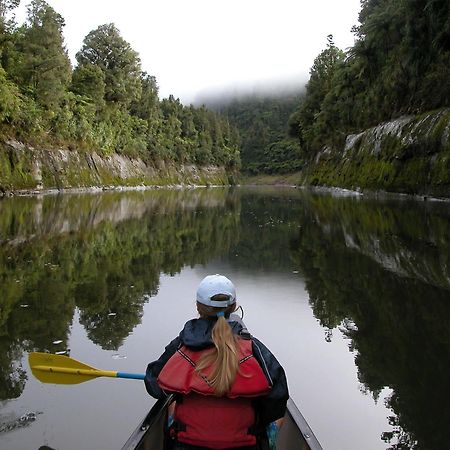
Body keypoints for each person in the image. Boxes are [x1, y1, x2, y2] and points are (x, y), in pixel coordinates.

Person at [144, 274, 289, 450]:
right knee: (279, 417)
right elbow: (278, 394)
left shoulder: (181, 345)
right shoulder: (253, 347)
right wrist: (257, 419)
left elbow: (155, 383)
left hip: (187, 444)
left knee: (172, 403)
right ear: (233, 307)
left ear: (198, 307)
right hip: (244, 444)